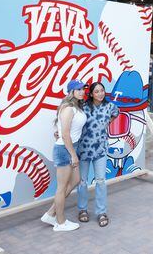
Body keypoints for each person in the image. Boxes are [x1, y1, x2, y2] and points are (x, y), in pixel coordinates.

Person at [41, 80, 86, 232]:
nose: (81, 91)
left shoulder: (76, 107)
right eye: (78, 89)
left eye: (83, 89)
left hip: (70, 147)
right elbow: (66, 134)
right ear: (71, 92)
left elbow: (65, 131)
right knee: (61, 188)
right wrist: (73, 154)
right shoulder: (68, 108)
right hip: (66, 149)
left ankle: (51, 213)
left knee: (75, 180)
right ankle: (60, 223)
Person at [76, 82, 119, 226]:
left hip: (100, 150)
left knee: (100, 181)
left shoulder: (110, 106)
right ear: (91, 94)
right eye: (97, 91)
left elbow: (115, 114)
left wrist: (106, 123)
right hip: (84, 149)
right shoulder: (83, 107)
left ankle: (101, 212)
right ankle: (82, 209)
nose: (100, 94)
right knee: (82, 182)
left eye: (102, 91)